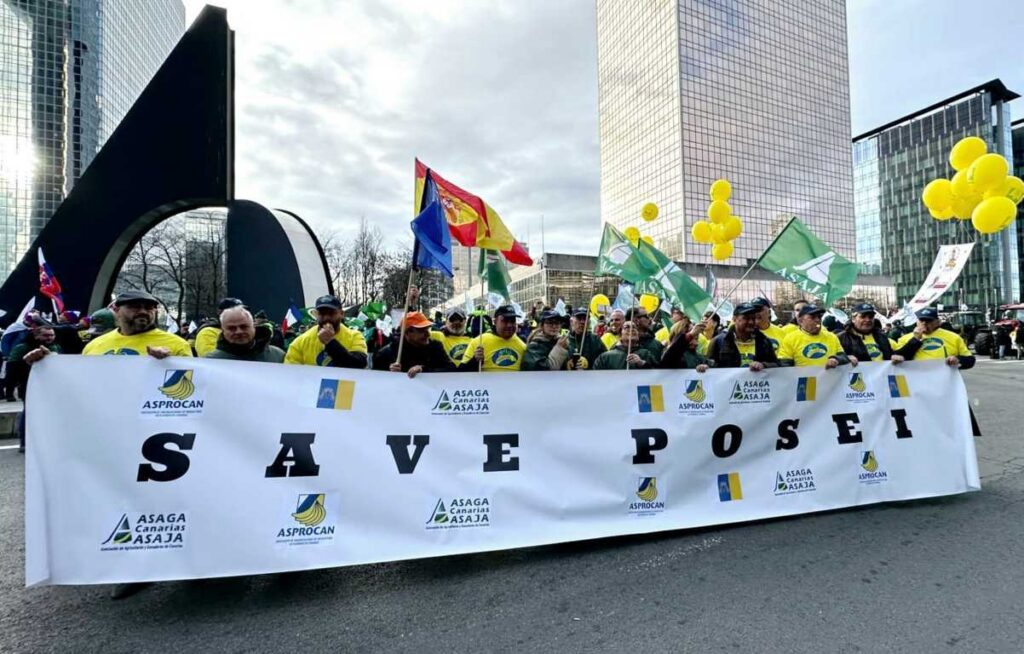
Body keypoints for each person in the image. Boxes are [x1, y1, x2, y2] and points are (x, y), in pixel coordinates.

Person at [77, 291, 193, 357]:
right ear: (117, 310)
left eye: (149, 308)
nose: (143, 311)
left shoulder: (177, 345)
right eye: (134, 306)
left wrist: (168, 363)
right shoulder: (94, 346)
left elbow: (191, 385)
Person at [284, 295, 368, 368]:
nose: (326, 317)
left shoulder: (355, 336)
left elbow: (358, 365)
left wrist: (330, 343)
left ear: (342, 314)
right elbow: (291, 374)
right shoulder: (300, 342)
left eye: (331, 313)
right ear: (316, 315)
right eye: (322, 314)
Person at [373, 312, 455, 377]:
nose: (428, 334)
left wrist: (423, 370)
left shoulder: (435, 347)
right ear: (408, 333)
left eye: (428, 329)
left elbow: (451, 369)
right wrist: (388, 372)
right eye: (422, 330)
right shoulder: (389, 352)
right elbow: (376, 378)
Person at [705, 302, 780, 370]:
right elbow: (710, 366)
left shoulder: (764, 342)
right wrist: (704, 367)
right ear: (734, 319)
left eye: (753, 318)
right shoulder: (719, 342)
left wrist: (763, 365)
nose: (751, 322)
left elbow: (776, 366)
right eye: (746, 318)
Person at [894, 307, 975, 369]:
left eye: (928, 321)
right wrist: (915, 340)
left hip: (943, 382)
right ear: (917, 321)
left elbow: (970, 360)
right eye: (921, 320)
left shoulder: (953, 337)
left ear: (937, 322)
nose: (924, 324)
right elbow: (897, 358)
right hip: (916, 381)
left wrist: (958, 359)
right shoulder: (905, 339)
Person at [778, 304, 852, 368]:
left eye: (819, 317)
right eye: (812, 317)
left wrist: (836, 359)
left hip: (830, 382)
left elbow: (843, 356)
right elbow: (784, 364)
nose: (817, 320)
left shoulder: (831, 337)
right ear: (801, 321)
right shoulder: (790, 339)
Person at [458, 305, 527, 372]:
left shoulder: (522, 346)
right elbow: (461, 373)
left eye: (512, 321)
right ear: (495, 322)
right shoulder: (479, 342)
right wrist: (474, 361)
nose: (509, 325)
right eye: (505, 321)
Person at [204, 306, 285, 363]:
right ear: (222, 330)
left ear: (253, 327)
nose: (238, 331)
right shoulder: (210, 362)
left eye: (244, 326)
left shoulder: (278, 356)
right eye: (232, 328)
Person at [838, 303, 906, 363]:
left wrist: (894, 357)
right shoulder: (842, 338)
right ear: (853, 319)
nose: (867, 320)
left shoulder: (882, 337)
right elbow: (832, 358)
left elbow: (890, 355)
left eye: (871, 317)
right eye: (863, 316)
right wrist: (845, 358)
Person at [593, 321, 658, 370]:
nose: (632, 329)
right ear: (620, 335)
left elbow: (658, 375)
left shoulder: (646, 354)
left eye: (635, 328)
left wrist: (642, 363)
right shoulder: (606, 357)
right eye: (627, 327)